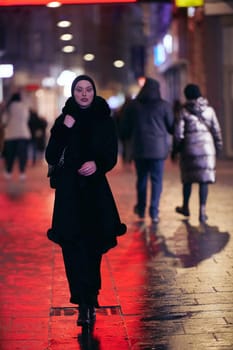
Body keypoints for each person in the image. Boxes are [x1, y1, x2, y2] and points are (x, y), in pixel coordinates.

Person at [45, 75, 126, 327]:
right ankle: (81, 302)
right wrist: (63, 128)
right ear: (73, 92)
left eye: (88, 89)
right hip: (69, 195)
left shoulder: (103, 119)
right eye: (79, 90)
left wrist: (97, 164)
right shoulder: (64, 119)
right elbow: (50, 155)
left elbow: (111, 156)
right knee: (72, 248)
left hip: (94, 193)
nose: (83, 94)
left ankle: (90, 299)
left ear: (93, 92)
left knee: (92, 248)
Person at [120, 77, 174, 223]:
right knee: (157, 180)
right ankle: (154, 211)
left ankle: (141, 208)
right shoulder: (164, 106)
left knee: (142, 179)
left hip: (140, 148)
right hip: (158, 150)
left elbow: (125, 127)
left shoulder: (134, 106)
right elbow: (171, 127)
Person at [173, 83, 223, 223]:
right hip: (207, 149)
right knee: (203, 181)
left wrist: (176, 149)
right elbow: (216, 131)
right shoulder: (209, 110)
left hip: (189, 150)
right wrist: (218, 148)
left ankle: (186, 207)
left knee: (187, 180)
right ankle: (202, 212)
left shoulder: (183, 111)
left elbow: (178, 134)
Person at [2, 92, 31, 180]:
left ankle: (9, 172)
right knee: (22, 155)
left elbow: (4, 121)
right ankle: (22, 173)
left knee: (10, 155)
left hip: (11, 134)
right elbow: (26, 118)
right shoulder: (24, 107)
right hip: (23, 133)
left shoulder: (8, 108)